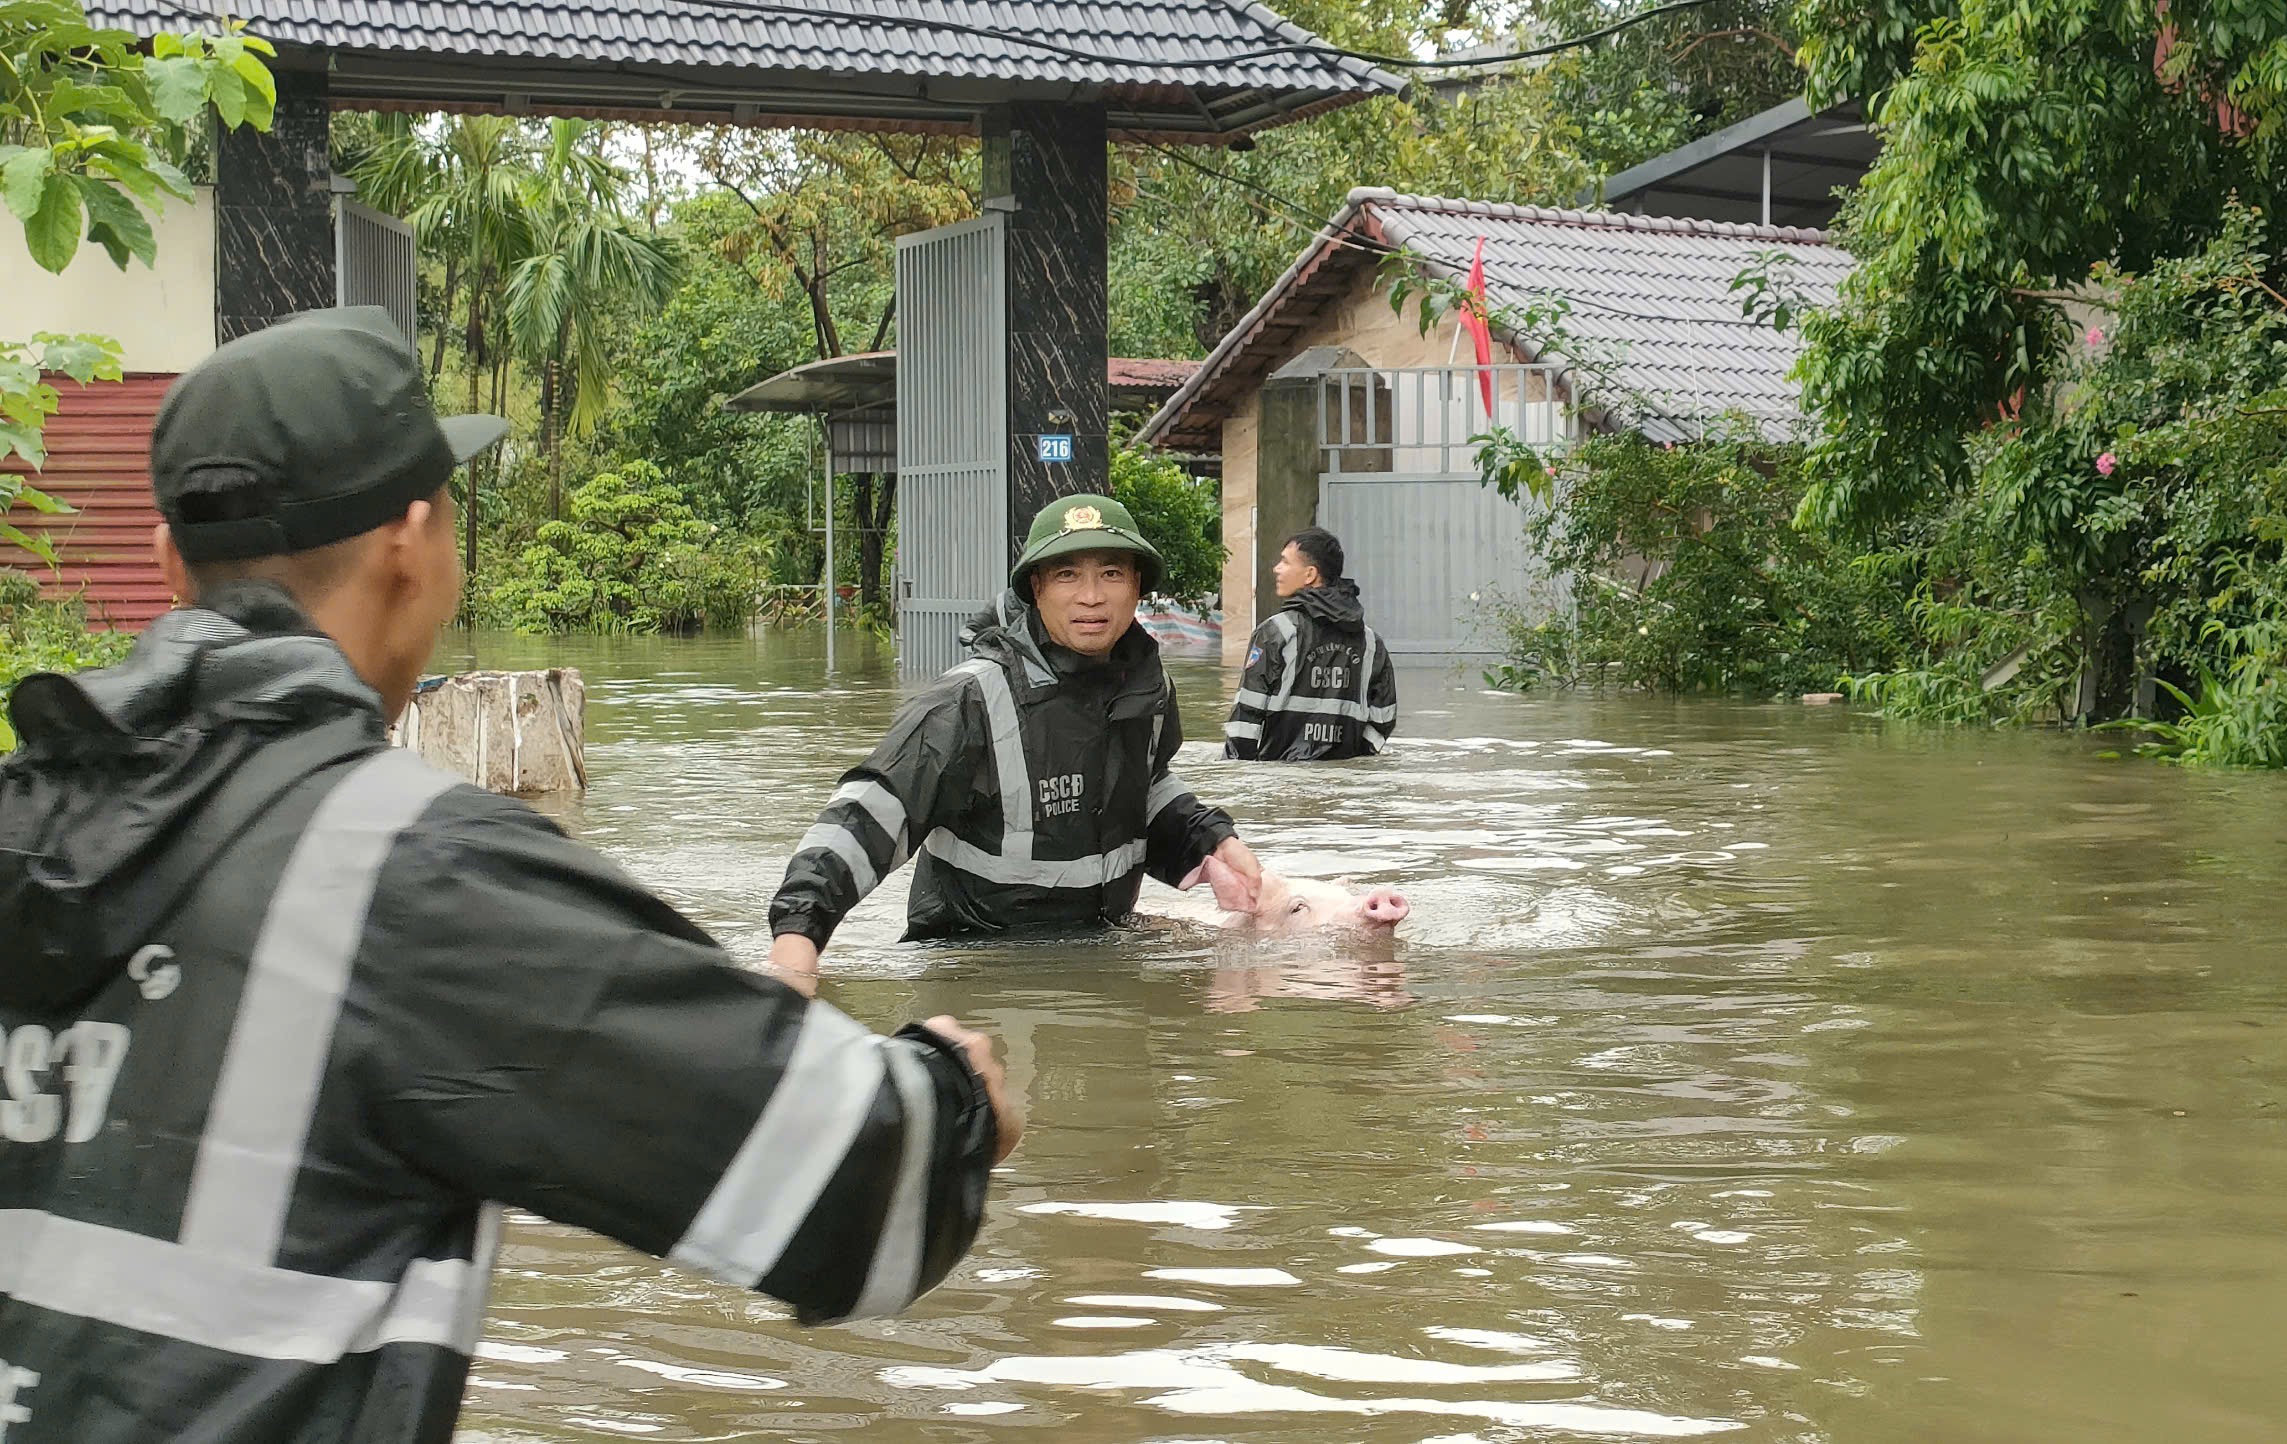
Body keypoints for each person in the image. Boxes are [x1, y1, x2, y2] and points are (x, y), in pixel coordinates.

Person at [0, 307, 1018, 1444]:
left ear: (166, 564)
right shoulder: (408, 875)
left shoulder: (21, 816)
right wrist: (957, 1086)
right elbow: (863, 1190)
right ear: (411, 541)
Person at [765, 493, 1263, 988]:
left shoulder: (1150, 688)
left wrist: (1211, 839)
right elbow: (870, 811)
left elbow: (1145, 791)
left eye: (1111, 573)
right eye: (1067, 574)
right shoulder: (970, 698)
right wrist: (798, 938)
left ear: (1137, 587)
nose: (1091, 596)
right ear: (1036, 587)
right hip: (975, 969)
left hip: (1099, 958)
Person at [1223, 527, 1398, 761]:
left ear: (1310, 575)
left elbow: (1246, 718)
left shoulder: (1275, 632)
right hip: (1345, 786)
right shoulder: (1371, 643)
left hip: (1280, 784)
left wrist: (1242, 778)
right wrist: (1353, 759)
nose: (1276, 568)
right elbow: (1384, 719)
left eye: (1285, 562)